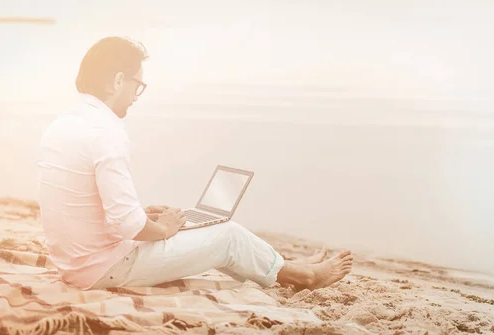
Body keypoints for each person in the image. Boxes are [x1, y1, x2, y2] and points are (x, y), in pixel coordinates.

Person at [36, 36, 353, 291]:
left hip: (75, 263)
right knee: (227, 235)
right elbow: (128, 226)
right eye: (137, 85)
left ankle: (284, 264)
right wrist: (162, 229)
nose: (137, 95)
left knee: (199, 228)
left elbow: (80, 204)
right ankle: (307, 277)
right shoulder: (106, 133)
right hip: (103, 269)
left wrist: (145, 216)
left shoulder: (63, 125)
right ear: (118, 81)